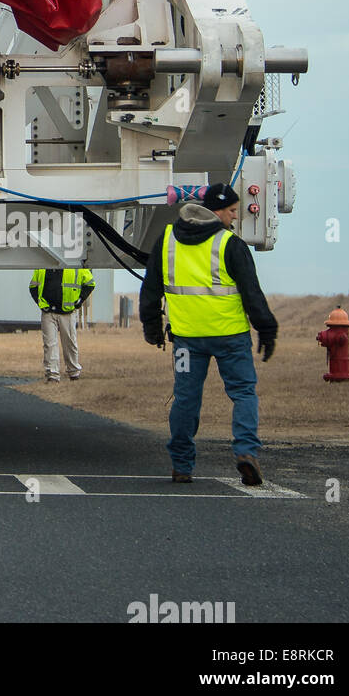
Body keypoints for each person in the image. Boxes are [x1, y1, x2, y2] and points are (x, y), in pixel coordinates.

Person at [140, 182, 277, 485]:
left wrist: (151, 327)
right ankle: (245, 453)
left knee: (186, 399)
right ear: (216, 212)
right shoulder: (230, 244)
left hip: (187, 340)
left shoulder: (167, 240)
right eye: (231, 211)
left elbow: (150, 289)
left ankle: (182, 465)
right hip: (230, 338)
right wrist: (266, 329)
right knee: (243, 393)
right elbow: (251, 293)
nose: (234, 218)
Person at [29, 264, 95, 381]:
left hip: (67, 313)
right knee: (49, 344)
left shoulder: (75, 266)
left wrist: (79, 302)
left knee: (69, 343)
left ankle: (73, 372)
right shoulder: (43, 265)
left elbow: (90, 283)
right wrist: (40, 303)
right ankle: (52, 375)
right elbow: (33, 286)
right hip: (48, 312)